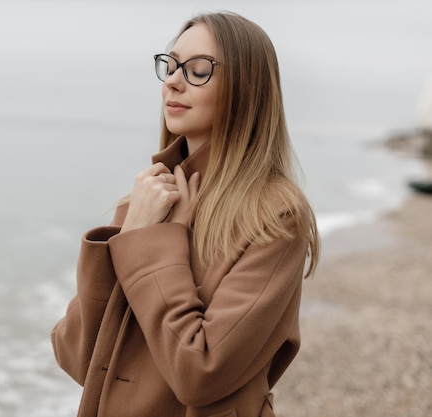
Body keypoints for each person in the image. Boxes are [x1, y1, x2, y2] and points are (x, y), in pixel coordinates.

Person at [51, 11, 320, 417]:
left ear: (247, 89)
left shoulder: (276, 215)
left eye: (198, 70)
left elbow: (199, 373)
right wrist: (130, 232)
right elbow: (75, 357)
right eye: (171, 65)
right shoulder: (146, 200)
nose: (174, 80)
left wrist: (152, 246)